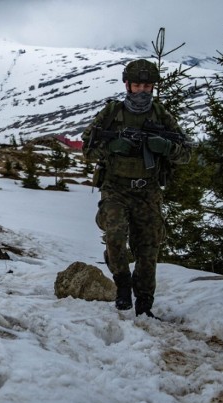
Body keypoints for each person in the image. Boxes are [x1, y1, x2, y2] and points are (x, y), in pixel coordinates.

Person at [81, 59, 191, 319]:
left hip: (148, 191)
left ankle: (144, 303)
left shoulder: (161, 116)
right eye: (137, 85)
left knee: (148, 247)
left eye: (147, 86)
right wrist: (111, 147)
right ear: (128, 85)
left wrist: (166, 148)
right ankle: (122, 286)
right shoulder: (112, 113)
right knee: (115, 236)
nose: (142, 90)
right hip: (115, 188)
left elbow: (185, 153)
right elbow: (87, 148)